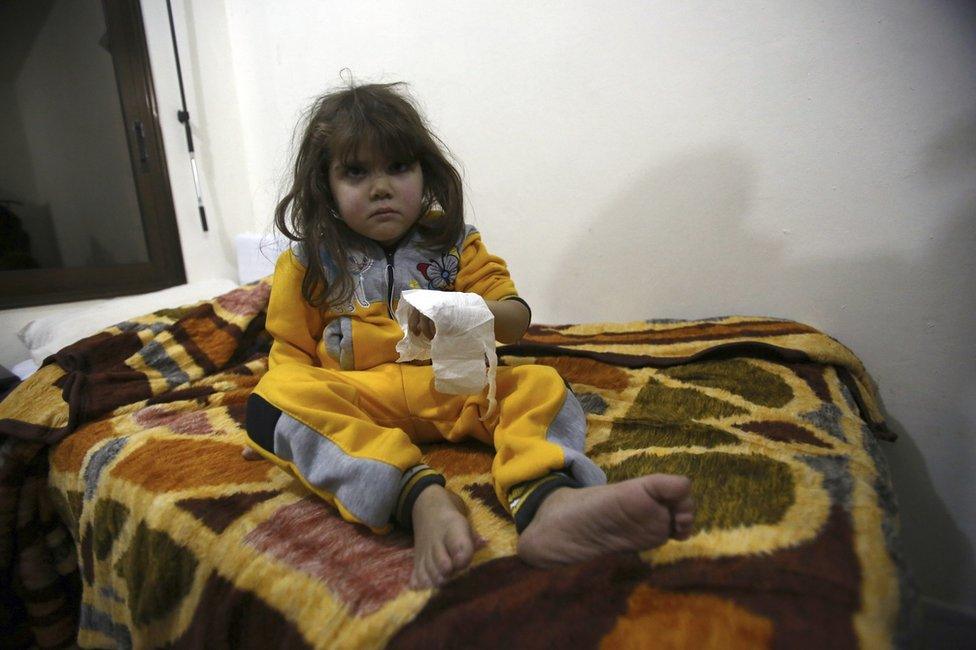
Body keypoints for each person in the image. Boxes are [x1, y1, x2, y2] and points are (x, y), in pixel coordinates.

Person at [243, 81, 695, 590]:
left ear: (425, 170)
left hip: (453, 390)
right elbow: (290, 355)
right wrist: (288, 429)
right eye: (355, 172)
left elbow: (516, 320)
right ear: (325, 185)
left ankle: (549, 499)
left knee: (542, 385)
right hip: (361, 399)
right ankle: (418, 498)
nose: (381, 188)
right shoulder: (306, 262)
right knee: (270, 402)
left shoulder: (455, 243)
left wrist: (465, 311)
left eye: (398, 167)